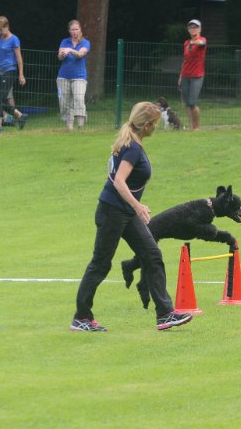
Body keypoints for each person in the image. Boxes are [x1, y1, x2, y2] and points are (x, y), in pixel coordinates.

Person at [73, 102, 193, 332]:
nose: (156, 127)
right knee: (101, 263)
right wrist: (137, 206)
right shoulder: (133, 148)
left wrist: (133, 207)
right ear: (146, 125)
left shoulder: (131, 143)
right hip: (112, 212)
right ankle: (81, 317)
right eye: (154, 123)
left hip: (124, 212)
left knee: (152, 254)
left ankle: (165, 313)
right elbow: (119, 181)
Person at [0, 16, 27, 132]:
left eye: (1, 29)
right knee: (0, 100)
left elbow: (19, 58)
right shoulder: (1, 39)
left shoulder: (14, 39)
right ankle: (20, 115)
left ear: (7, 26)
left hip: (10, 71)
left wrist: (21, 75)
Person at [57, 19, 90, 130]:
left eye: (76, 29)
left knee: (78, 99)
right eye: (72, 30)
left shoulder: (85, 43)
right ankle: (69, 127)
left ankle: (80, 126)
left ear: (80, 30)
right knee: (65, 102)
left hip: (79, 77)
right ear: (69, 31)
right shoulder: (64, 42)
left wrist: (70, 50)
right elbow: (59, 57)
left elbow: (80, 55)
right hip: (63, 76)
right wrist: (62, 54)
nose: (75, 32)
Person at [178, 19, 206, 131]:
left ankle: (197, 127)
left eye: (195, 27)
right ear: (188, 29)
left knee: (192, 103)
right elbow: (185, 60)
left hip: (197, 76)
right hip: (185, 75)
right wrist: (180, 76)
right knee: (186, 103)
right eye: (191, 27)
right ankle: (190, 126)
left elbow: (201, 43)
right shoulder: (186, 43)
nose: (193, 29)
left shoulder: (202, 40)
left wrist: (193, 42)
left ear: (200, 29)